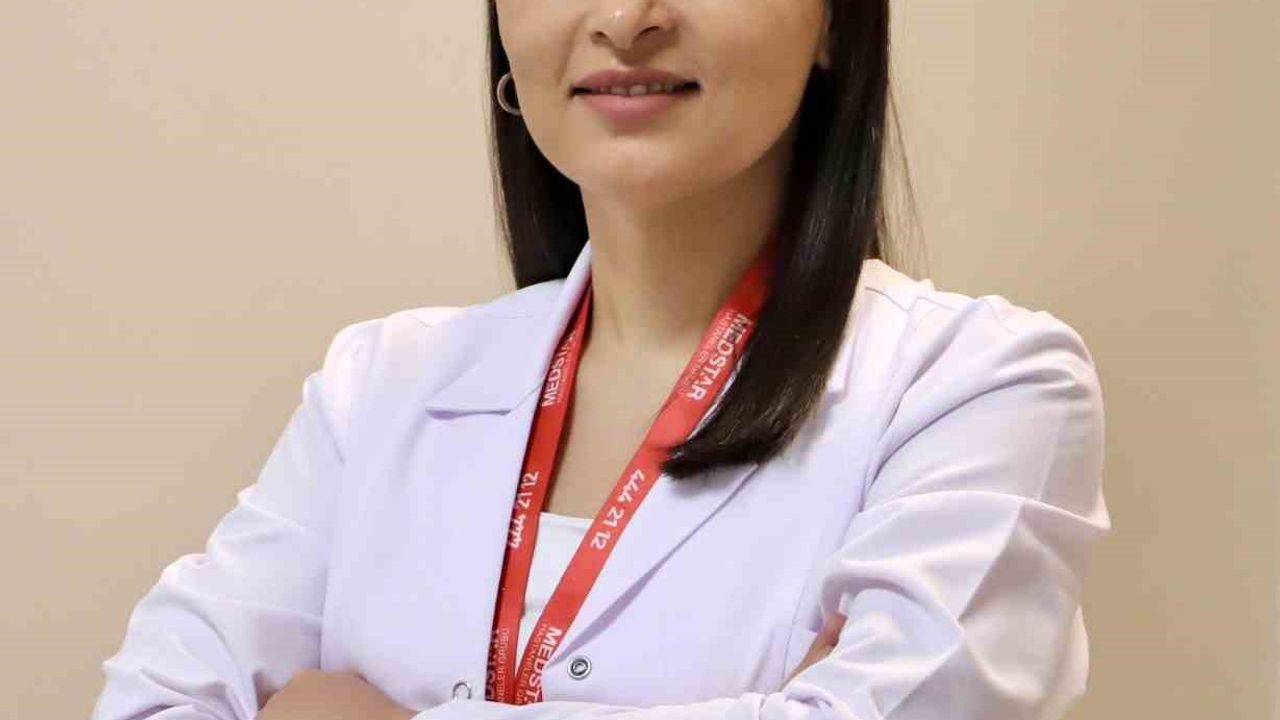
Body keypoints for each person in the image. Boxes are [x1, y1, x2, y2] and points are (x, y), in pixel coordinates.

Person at [92, 1, 1112, 719]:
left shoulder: (975, 386)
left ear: (836, 22)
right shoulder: (378, 384)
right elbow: (151, 702)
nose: (626, 19)